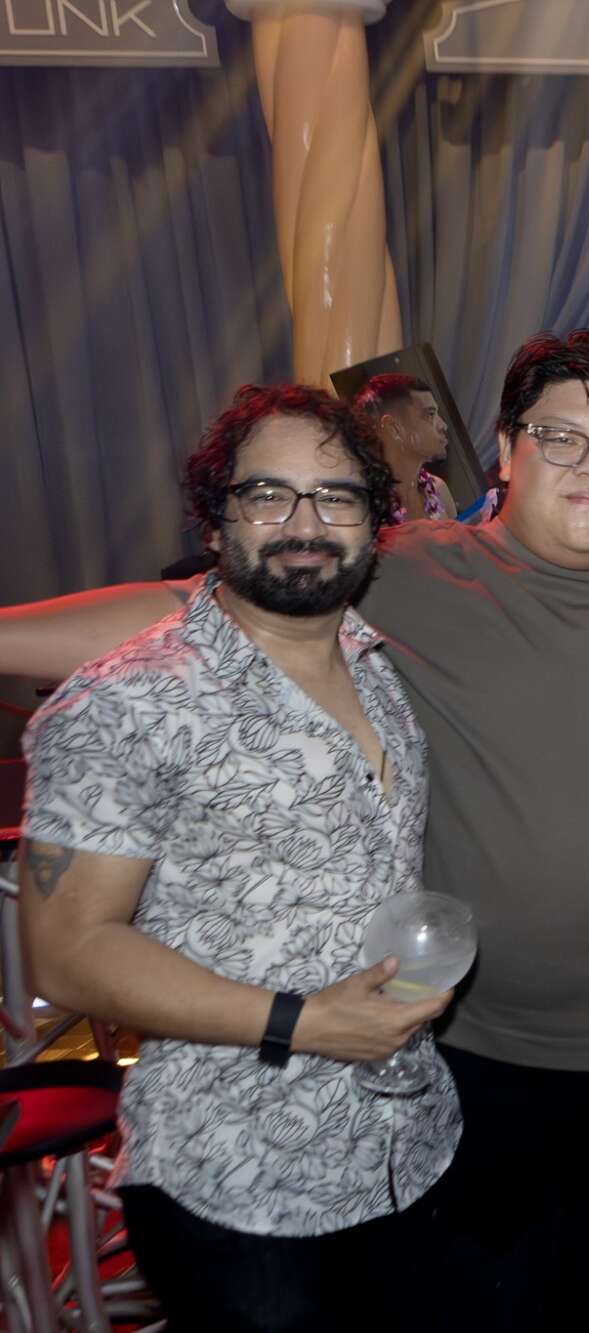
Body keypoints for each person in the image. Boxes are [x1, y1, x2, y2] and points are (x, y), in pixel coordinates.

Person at [0, 331, 589, 1330]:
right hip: (453, 1069)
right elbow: (190, 612)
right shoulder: (399, 578)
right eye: (561, 437)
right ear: (506, 448)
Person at [20, 386, 459, 1332]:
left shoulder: (379, 669)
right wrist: (302, 1022)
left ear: (375, 522)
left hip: (411, 1147)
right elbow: (69, 950)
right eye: (268, 494)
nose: (305, 524)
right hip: (239, 1183)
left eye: (336, 496)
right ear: (215, 518)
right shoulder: (124, 701)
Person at [354, 372, 459, 522]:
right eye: (430, 415)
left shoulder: (438, 489)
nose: (443, 425)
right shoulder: (369, 512)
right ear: (394, 428)